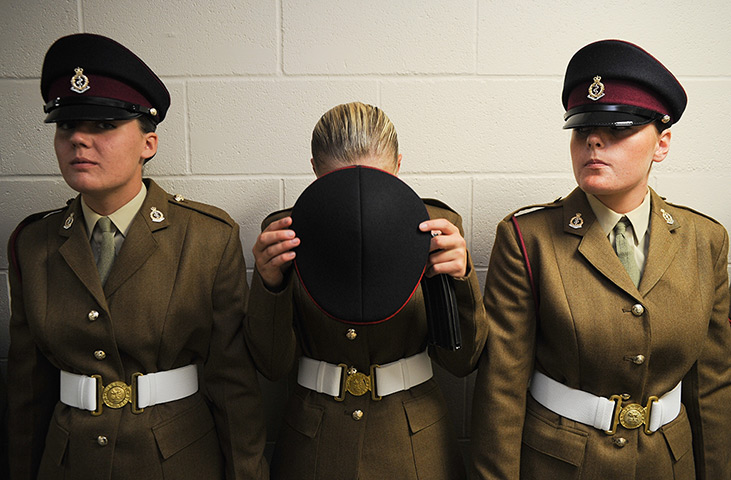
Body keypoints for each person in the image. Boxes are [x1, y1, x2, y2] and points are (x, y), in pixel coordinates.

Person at [6, 33, 268, 479]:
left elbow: (233, 386)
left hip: (177, 461)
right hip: (68, 462)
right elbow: (27, 392)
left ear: (149, 144)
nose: (79, 141)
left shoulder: (206, 237)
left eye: (103, 125)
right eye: (66, 125)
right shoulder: (34, 243)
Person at [471, 39, 731, 479]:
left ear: (662, 143)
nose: (593, 140)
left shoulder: (705, 241)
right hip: (560, 465)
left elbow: (713, 388)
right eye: (582, 128)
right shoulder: (527, 238)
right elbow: (500, 392)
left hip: (669, 465)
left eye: (619, 129)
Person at [246, 101, 488, 479]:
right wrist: (269, 286)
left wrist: (461, 279)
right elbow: (272, 366)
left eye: (377, 182)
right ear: (314, 170)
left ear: (398, 166)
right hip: (314, 441)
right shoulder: (286, 234)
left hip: (414, 442)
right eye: (337, 184)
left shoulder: (435, 228)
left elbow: (462, 363)